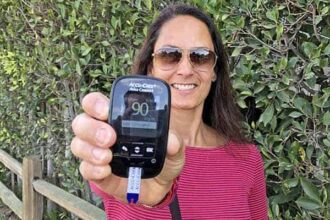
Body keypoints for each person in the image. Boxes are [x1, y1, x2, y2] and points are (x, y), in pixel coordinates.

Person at [71, 4, 267, 220]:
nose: (185, 69)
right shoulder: (121, 150)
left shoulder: (248, 159)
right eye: (169, 55)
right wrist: (148, 196)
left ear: (214, 71)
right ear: (150, 68)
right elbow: (104, 177)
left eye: (201, 56)